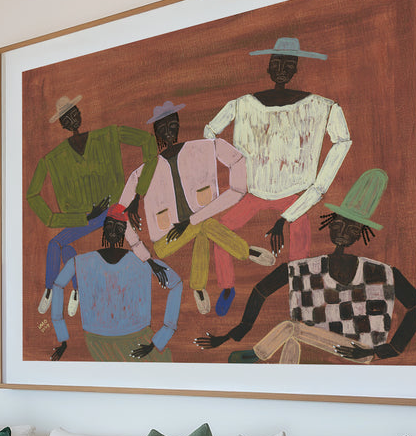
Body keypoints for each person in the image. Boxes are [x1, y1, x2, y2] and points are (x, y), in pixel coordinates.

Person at [194, 169, 416, 364]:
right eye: (339, 224)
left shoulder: (383, 273)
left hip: (361, 350)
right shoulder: (305, 268)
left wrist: (385, 351)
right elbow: (260, 290)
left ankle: (256, 354)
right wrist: (241, 327)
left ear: (360, 234)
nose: (342, 232)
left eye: (352, 229)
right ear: (329, 225)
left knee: (291, 329)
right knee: (292, 339)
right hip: (316, 340)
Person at [204, 36, 352, 286]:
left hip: (294, 195)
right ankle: (227, 287)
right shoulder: (242, 104)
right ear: (268, 66)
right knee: (219, 232)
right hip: (251, 192)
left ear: (296, 68)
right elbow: (209, 133)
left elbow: (343, 142)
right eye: (277, 63)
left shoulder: (322, 106)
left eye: (289, 64)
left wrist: (297, 207)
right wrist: (235, 165)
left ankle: (299, 289)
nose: (282, 69)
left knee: (300, 254)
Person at [119, 100, 270, 316]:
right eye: (162, 128)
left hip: (201, 223)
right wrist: (142, 253)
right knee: (203, 223)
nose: (168, 131)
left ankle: (198, 287)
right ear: (156, 132)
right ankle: (245, 251)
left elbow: (238, 162)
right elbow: (117, 212)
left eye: (172, 125)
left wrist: (196, 218)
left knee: (201, 227)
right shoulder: (143, 173)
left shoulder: (202, 148)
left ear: (179, 124)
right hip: (165, 241)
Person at [26, 95, 159, 315]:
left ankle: (70, 289)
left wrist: (138, 194)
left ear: (79, 113)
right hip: (85, 218)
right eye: (65, 117)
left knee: (63, 244)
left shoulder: (107, 135)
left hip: (112, 210)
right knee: (59, 246)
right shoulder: (53, 158)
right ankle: (59, 289)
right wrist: (79, 218)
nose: (71, 119)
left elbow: (148, 142)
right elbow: (32, 196)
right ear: (62, 124)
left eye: (73, 113)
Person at [49, 204, 182, 362]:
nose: (113, 231)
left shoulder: (142, 261)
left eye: (118, 227)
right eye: (110, 225)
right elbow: (57, 286)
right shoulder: (82, 261)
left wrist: (161, 338)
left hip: (133, 339)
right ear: (104, 227)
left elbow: (176, 283)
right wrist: (62, 337)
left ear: (124, 231)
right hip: (100, 341)